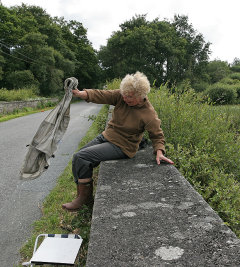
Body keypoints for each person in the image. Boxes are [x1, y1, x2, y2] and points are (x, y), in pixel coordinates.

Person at [62, 71, 174, 211]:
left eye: (130, 97)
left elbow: (157, 134)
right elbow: (102, 95)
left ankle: (83, 200)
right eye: (124, 95)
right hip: (107, 136)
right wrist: (81, 94)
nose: (125, 99)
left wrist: (159, 151)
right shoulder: (122, 96)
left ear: (141, 96)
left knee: (82, 157)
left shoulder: (148, 113)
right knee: (77, 159)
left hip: (122, 146)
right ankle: (82, 196)